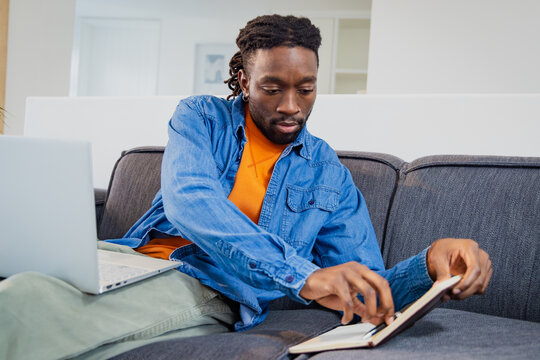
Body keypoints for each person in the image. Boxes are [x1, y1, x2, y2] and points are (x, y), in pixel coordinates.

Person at [0, 14, 492, 360]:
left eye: (306, 88)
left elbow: (362, 283)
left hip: (202, 284)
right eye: (272, 87)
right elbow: (191, 200)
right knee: (27, 285)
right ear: (242, 78)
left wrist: (430, 265)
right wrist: (300, 274)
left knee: (25, 305)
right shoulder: (200, 117)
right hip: (124, 258)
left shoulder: (328, 175)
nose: (291, 106)